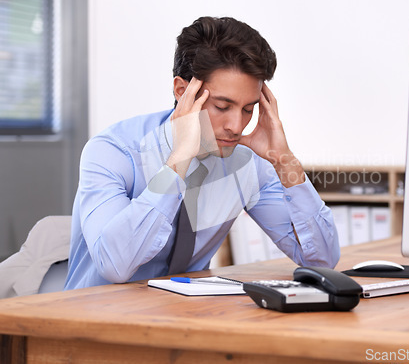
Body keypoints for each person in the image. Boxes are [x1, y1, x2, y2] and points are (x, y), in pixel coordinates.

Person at [65, 16, 340, 290]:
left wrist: (285, 162)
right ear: (183, 91)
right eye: (222, 107)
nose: (236, 126)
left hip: (187, 318)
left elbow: (321, 261)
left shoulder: (247, 164)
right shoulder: (114, 151)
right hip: (91, 317)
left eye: (248, 109)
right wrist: (178, 163)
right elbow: (115, 266)